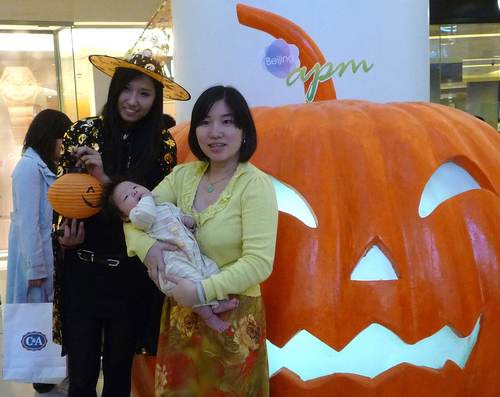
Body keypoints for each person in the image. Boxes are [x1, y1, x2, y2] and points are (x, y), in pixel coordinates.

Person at [53, 47, 190, 397]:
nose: (133, 101)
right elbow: (64, 194)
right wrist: (62, 235)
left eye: (145, 93)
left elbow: (150, 210)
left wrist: (105, 178)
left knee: (118, 380)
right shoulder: (82, 132)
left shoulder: (162, 146)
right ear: (115, 90)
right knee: (80, 380)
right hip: (83, 271)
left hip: (131, 274)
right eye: (127, 90)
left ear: (155, 100)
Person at [124, 85, 279, 396]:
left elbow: (259, 262)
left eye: (227, 121)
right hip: (182, 314)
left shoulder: (255, 185)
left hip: (233, 314)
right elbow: (133, 216)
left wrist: (200, 290)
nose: (215, 132)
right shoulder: (183, 176)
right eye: (205, 122)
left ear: (243, 130)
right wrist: (148, 248)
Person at [102, 179, 240, 332]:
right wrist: (146, 197)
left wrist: (190, 222)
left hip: (190, 253)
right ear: (124, 217)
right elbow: (145, 214)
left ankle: (219, 301)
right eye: (126, 197)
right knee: (193, 283)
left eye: (135, 187)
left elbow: (181, 219)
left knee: (211, 269)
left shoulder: (166, 206)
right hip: (171, 263)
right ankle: (209, 317)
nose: (133, 192)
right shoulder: (138, 219)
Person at [6, 109, 73, 397]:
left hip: (47, 257)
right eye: (63, 140)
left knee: (47, 321)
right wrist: (35, 270)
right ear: (50, 138)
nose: (65, 147)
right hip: (36, 263)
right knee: (38, 323)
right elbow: (28, 223)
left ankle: (51, 381)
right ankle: (45, 385)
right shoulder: (28, 169)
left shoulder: (41, 167)